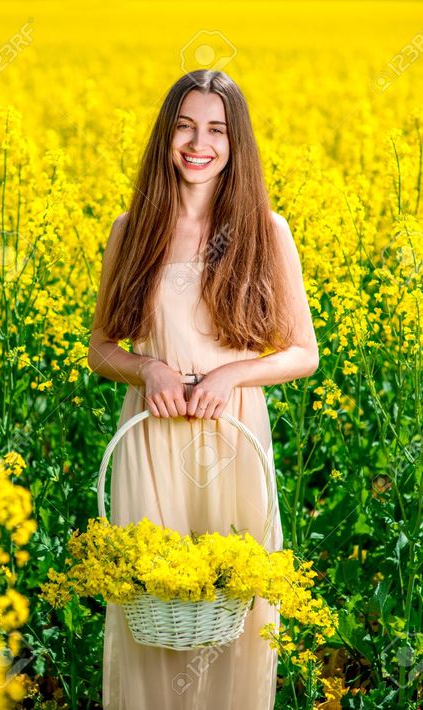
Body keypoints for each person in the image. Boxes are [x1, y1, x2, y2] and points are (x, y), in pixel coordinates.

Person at [88, 69, 319, 710]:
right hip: (153, 437)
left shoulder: (266, 231)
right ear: (167, 135)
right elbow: (100, 347)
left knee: (236, 619)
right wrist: (148, 369)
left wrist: (231, 373)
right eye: (185, 126)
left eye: (215, 129)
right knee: (150, 612)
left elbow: (305, 351)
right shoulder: (130, 229)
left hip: (234, 437)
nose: (198, 143)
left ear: (234, 142)